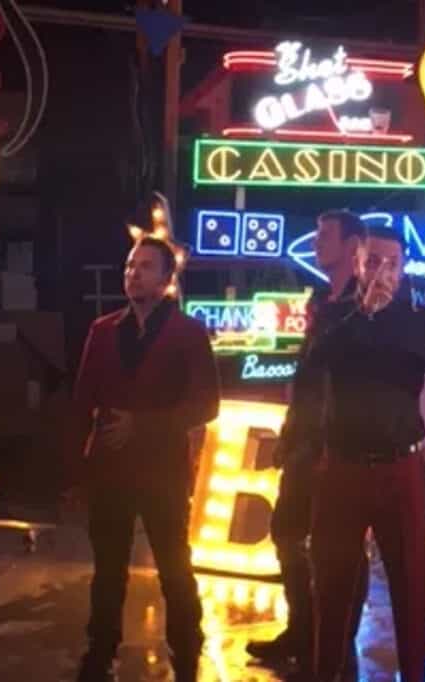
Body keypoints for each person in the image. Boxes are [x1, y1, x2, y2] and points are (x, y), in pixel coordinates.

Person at [306, 227, 425, 682]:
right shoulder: (334, 314)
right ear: (358, 262)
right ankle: (328, 672)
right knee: (333, 582)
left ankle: (414, 674)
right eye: (374, 260)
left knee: (411, 584)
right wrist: (362, 312)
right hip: (342, 466)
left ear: (403, 268)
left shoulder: (419, 321)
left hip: (401, 465)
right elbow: (317, 362)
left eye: (393, 263)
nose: (383, 271)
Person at [68, 237, 220, 682]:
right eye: (131, 265)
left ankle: (187, 644)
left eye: (146, 267)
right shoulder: (102, 331)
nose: (133, 273)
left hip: (163, 468)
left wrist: (144, 423)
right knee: (108, 566)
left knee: (174, 561)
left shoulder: (188, 333)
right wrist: (76, 472)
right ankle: (101, 647)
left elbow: (206, 404)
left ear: (168, 280)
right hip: (109, 468)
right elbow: (81, 404)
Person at [245, 210, 370, 676]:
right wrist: (292, 429)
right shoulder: (322, 299)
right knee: (288, 534)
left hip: (340, 445)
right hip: (305, 439)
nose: (316, 243)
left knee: (340, 549)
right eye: (315, 234)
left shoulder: (363, 304)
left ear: (354, 244)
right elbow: (307, 374)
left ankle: (335, 641)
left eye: (325, 235)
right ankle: (303, 630)